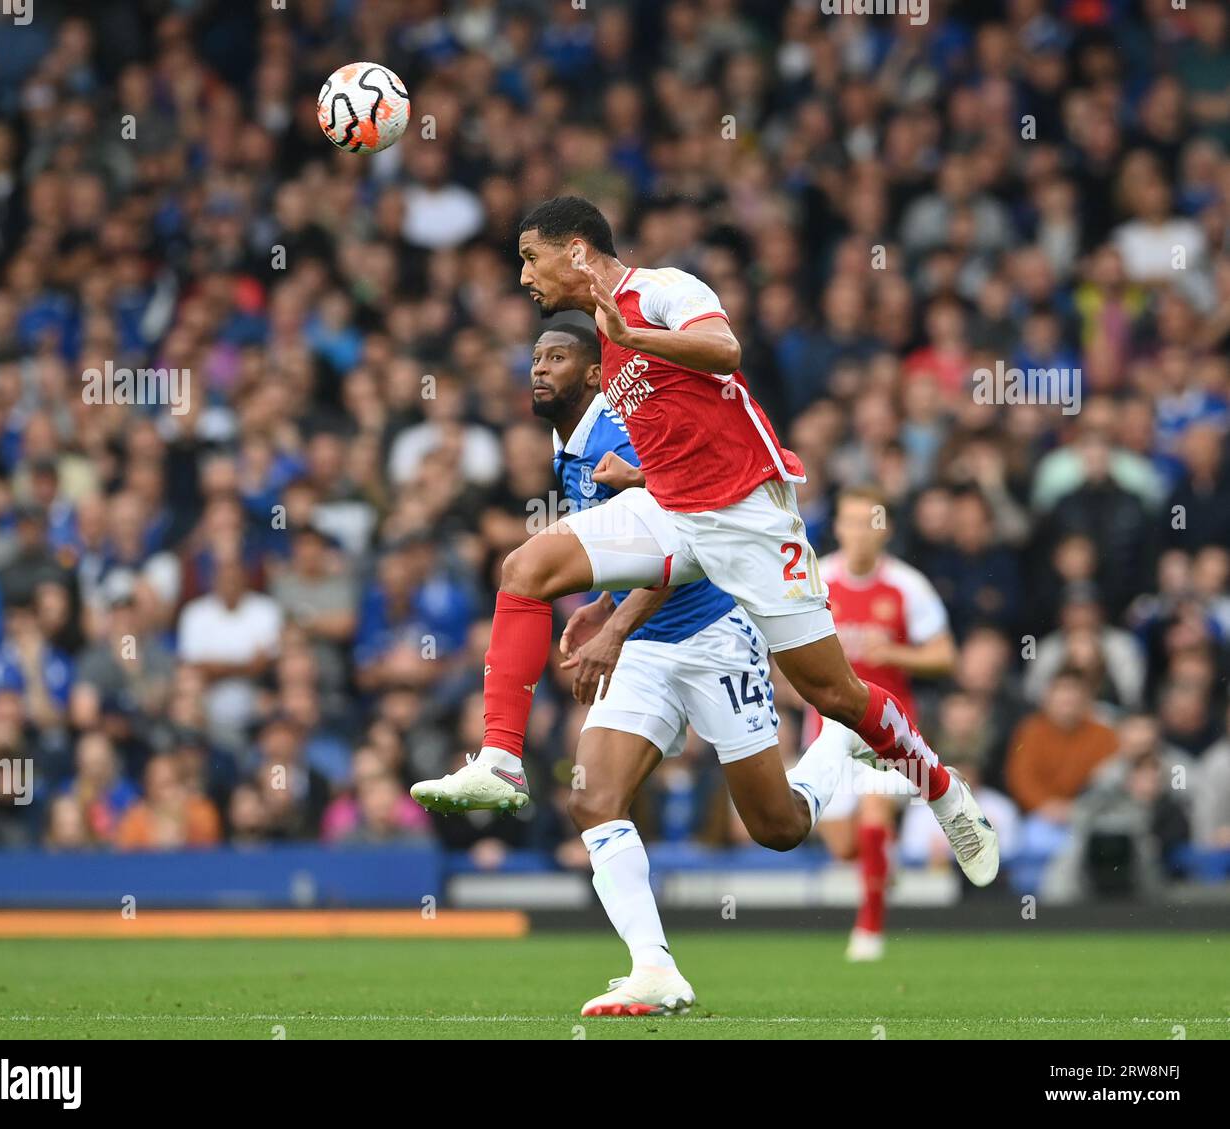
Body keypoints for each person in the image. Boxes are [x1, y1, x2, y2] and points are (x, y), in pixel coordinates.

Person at [412, 195, 996, 894]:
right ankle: (503, 757)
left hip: (750, 517)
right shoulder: (605, 323)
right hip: (675, 510)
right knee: (526, 566)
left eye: (530, 258)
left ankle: (940, 790)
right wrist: (615, 588)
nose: (522, 277)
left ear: (575, 251)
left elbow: (725, 350)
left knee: (833, 695)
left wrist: (638, 335)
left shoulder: (658, 291)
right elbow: (682, 422)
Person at [418, 325, 867, 1015]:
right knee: (593, 798)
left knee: (777, 827)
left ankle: (840, 736)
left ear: (597, 375)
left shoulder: (624, 432)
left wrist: (614, 628)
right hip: (645, 645)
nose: (539, 369)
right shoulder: (566, 444)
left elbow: (689, 539)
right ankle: (654, 968)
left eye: (557, 357)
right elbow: (629, 543)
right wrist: (604, 605)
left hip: (714, 631)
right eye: (535, 358)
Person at [811, 485, 957, 962]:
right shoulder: (816, 579)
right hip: (828, 727)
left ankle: (869, 929)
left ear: (885, 529)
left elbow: (944, 654)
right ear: (837, 527)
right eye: (850, 521)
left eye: (869, 522)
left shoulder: (906, 585)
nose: (859, 532)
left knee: (875, 814)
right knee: (844, 843)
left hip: (887, 728)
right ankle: (880, 864)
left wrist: (893, 652)